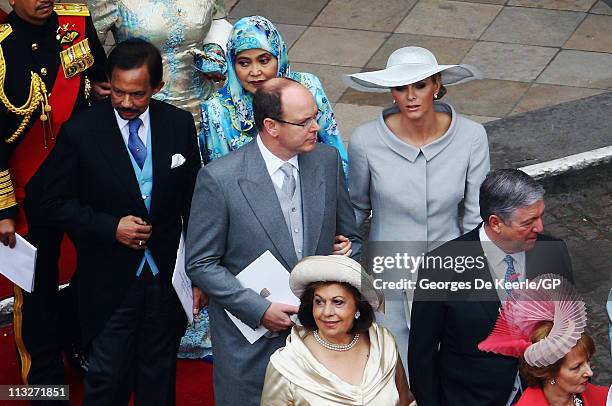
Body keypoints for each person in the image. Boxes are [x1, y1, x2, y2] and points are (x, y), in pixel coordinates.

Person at [34, 38, 201, 405]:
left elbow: (195, 203)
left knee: (159, 382)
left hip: (165, 284)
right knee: (106, 382)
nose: (126, 103)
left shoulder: (178, 125)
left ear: (157, 87)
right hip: (108, 286)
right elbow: (47, 202)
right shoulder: (81, 132)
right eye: (119, 93)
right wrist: (110, 227)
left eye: (138, 94)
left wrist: (198, 274)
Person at [186, 77, 361, 406]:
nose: (315, 127)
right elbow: (201, 263)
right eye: (304, 121)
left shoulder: (326, 161)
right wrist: (259, 309)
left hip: (319, 341)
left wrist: (347, 255)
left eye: (315, 117)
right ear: (271, 126)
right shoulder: (220, 179)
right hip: (250, 345)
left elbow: (350, 236)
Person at [343, 46, 489, 369]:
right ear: (391, 93)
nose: (410, 96)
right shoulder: (365, 141)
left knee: (449, 367)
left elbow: (477, 217)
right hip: (387, 279)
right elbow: (354, 211)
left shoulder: (472, 137)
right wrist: (348, 273)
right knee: (395, 372)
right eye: (400, 88)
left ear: (436, 85)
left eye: (419, 86)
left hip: (449, 274)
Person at [0, 0, 106, 389]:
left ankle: (77, 334)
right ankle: (44, 378)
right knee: (36, 287)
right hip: (33, 189)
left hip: (83, 180)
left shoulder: (75, 21)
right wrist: (3, 209)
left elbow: (98, 77)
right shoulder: (2, 47)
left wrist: (101, 85)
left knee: (101, 265)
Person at [409, 169, 574, 406]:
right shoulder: (441, 268)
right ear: (495, 223)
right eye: (528, 222)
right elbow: (421, 355)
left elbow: (569, 329)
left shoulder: (553, 252)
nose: (540, 227)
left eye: (541, 216)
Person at [200, 15, 347, 172]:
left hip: (312, 183)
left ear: (279, 57)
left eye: (263, 61)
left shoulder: (307, 87)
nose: (255, 72)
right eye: (244, 63)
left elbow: (336, 155)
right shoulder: (217, 109)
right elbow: (221, 176)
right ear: (232, 64)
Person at [260, 255, 414, 405]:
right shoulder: (287, 364)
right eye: (319, 302)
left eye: (338, 302)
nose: (327, 312)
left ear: (357, 308)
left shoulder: (384, 344)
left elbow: (406, 402)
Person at [87, 0, 231, 129]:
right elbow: (86, 43)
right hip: (138, 107)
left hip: (201, 106)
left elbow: (216, 20)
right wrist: (90, 83)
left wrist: (214, 52)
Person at [479, 274, 608, 406]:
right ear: (549, 374)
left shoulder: (598, 396)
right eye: (576, 367)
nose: (590, 372)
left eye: (587, 361)